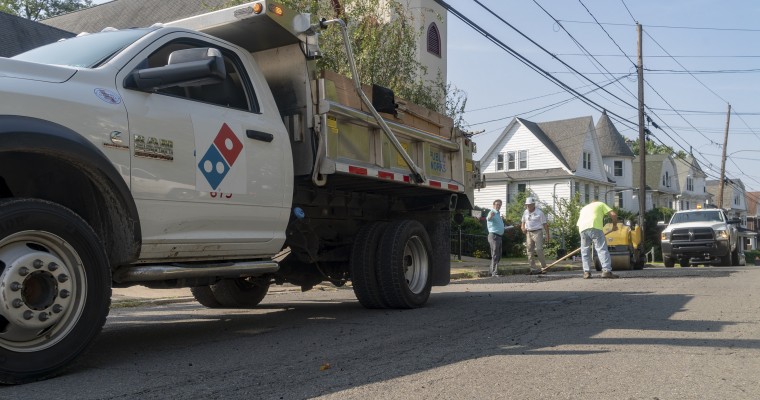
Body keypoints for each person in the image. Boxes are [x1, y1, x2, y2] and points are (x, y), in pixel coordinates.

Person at [577, 199, 619, 279]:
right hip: (595, 227)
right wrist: (614, 225)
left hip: (582, 229)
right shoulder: (600, 204)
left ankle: (586, 272)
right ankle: (606, 271)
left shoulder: (584, 208)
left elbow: (578, 224)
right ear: (596, 202)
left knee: (585, 251)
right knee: (601, 249)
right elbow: (613, 215)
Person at [521, 197, 549, 274]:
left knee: (539, 249)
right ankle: (532, 268)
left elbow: (545, 224)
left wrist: (547, 235)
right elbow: (523, 222)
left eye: (529, 205)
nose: (528, 206)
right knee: (529, 250)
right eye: (527, 205)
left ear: (533, 205)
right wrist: (522, 228)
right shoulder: (525, 212)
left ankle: (544, 267)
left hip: (538, 232)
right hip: (528, 232)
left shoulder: (540, 213)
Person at [486, 199, 505, 277]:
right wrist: (490, 216)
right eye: (497, 204)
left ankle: (491, 272)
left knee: (498, 255)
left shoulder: (498, 214)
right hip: (494, 236)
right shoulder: (492, 212)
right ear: (493, 205)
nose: (498, 206)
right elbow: (488, 218)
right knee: (495, 255)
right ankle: (494, 273)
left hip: (498, 236)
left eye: (500, 205)